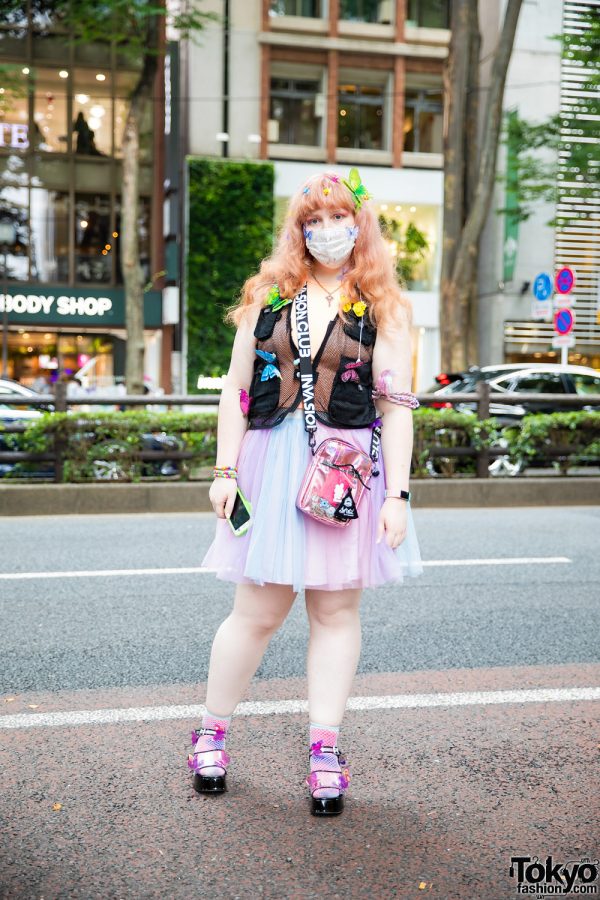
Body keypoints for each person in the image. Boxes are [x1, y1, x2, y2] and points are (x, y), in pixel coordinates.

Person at [188, 169, 424, 817]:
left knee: (335, 613)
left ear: (359, 225)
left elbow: (396, 406)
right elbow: (236, 392)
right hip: (268, 462)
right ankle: (209, 732)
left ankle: (325, 749)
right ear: (298, 229)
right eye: (312, 221)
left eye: (338, 218)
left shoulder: (382, 305)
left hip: (344, 469)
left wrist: (399, 495)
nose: (325, 231)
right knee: (257, 613)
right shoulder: (269, 296)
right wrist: (224, 470)